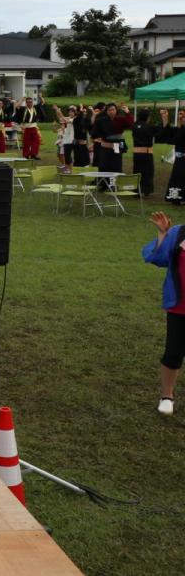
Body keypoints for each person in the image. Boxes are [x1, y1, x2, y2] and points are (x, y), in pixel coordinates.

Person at [142, 211, 185, 416]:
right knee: (173, 352)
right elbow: (157, 258)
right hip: (180, 306)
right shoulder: (179, 233)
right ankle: (167, 395)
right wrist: (162, 235)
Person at [131, 109, 157, 196]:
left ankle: (137, 189)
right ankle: (146, 189)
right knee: (148, 172)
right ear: (147, 117)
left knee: (137, 170)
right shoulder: (149, 126)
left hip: (136, 153)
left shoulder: (134, 126)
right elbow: (158, 132)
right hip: (146, 153)